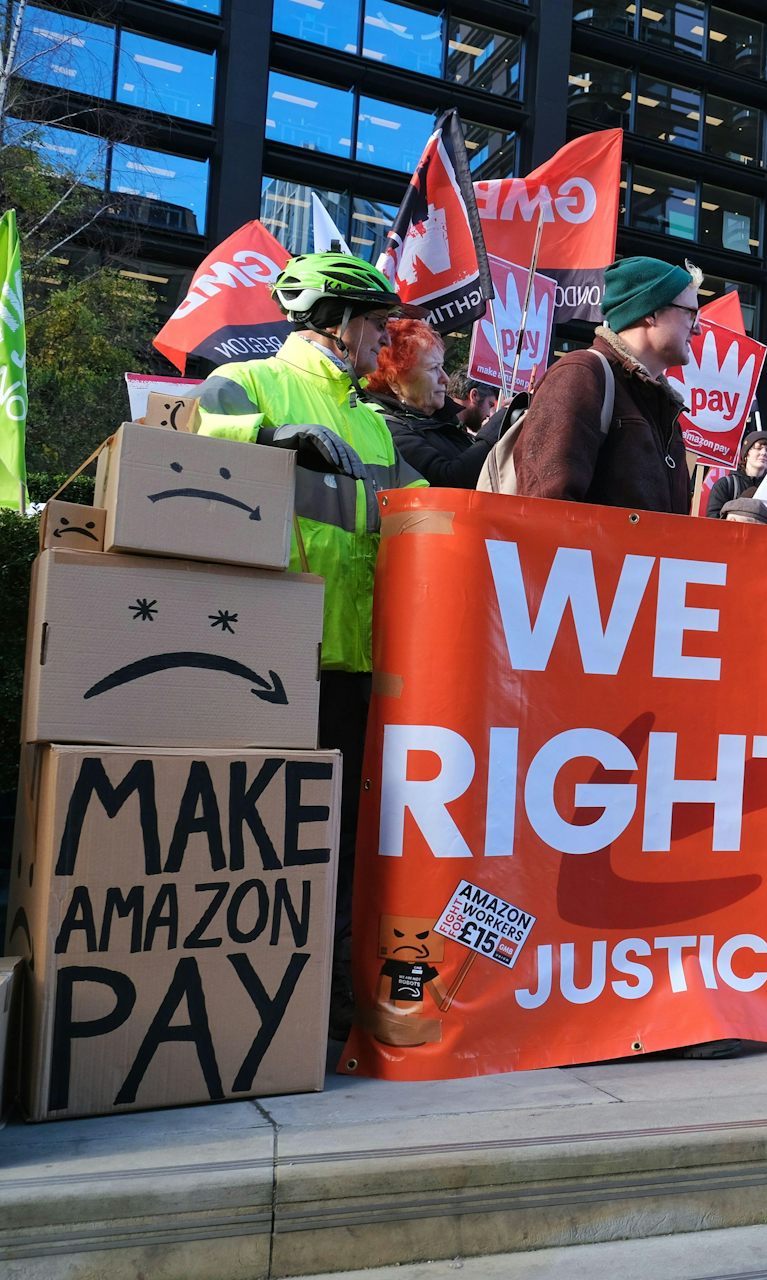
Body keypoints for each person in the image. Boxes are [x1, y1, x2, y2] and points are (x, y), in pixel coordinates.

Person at [194, 251, 427, 1035]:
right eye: (376, 325)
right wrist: (272, 436)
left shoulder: (366, 417)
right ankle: (254, 1001)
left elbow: (426, 514)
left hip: (360, 657)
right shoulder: (250, 382)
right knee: (269, 841)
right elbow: (202, 451)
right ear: (341, 322)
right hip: (273, 649)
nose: (382, 342)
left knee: (345, 843)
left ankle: (323, 1005)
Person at [488, 255, 698, 512]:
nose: (697, 328)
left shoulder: (661, 403)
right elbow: (546, 511)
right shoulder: (582, 375)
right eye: (690, 313)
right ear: (651, 312)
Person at [366, 317, 501, 489]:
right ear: (394, 381)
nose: (445, 378)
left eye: (442, 367)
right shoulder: (388, 428)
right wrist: (497, 427)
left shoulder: (438, 420)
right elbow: (446, 480)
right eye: (433, 368)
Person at [705, 430, 767, 517]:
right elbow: (713, 520)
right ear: (746, 454)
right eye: (758, 448)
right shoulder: (725, 485)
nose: (764, 453)